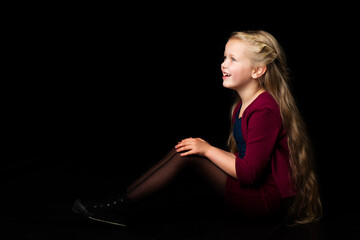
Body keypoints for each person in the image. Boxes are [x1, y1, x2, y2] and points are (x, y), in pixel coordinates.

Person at [72, 30, 322, 227]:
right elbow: (246, 161)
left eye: (233, 59)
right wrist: (203, 147)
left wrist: (207, 149)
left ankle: (119, 204)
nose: (223, 64)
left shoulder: (264, 109)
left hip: (266, 202)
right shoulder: (242, 105)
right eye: (224, 57)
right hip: (256, 191)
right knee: (188, 147)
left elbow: (250, 174)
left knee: (192, 155)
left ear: (258, 70)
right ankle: (118, 201)